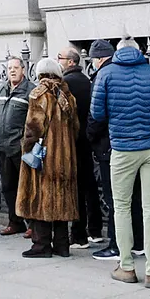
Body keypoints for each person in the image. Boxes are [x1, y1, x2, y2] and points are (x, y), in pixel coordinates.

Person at [90, 36, 150, 289]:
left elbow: (97, 114)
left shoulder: (106, 76)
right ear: (140, 52)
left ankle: (126, 266)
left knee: (121, 207)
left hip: (122, 148)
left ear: (116, 53)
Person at [85, 39, 144, 262]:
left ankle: (118, 245)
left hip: (111, 146)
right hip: (140, 144)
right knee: (136, 197)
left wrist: (90, 136)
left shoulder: (105, 75)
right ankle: (138, 242)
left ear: (99, 59)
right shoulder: (141, 72)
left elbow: (96, 114)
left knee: (116, 199)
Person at [17, 58, 80, 258]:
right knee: (62, 197)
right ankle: (62, 245)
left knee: (40, 196)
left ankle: (41, 245)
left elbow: (33, 128)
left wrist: (26, 149)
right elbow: (76, 129)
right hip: (66, 157)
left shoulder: (39, 94)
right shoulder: (68, 96)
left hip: (45, 156)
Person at [58, 46, 100, 248]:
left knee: (76, 187)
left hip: (73, 140)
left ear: (71, 62)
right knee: (89, 184)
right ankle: (96, 229)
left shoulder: (66, 84)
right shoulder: (88, 81)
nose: (59, 60)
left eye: (61, 58)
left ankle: (79, 234)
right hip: (88, 138)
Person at [0, 57, 35, 237]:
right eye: (9, 68)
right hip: (3, 146)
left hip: (20, 147)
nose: (12, 71)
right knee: (8, 186)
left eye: (16, 68)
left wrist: (24, 142)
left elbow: (34, 120)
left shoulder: (30, 90)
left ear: (23, 70)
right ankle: (15, 221)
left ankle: (33, 224)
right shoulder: (3, 89)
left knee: (26, 187)